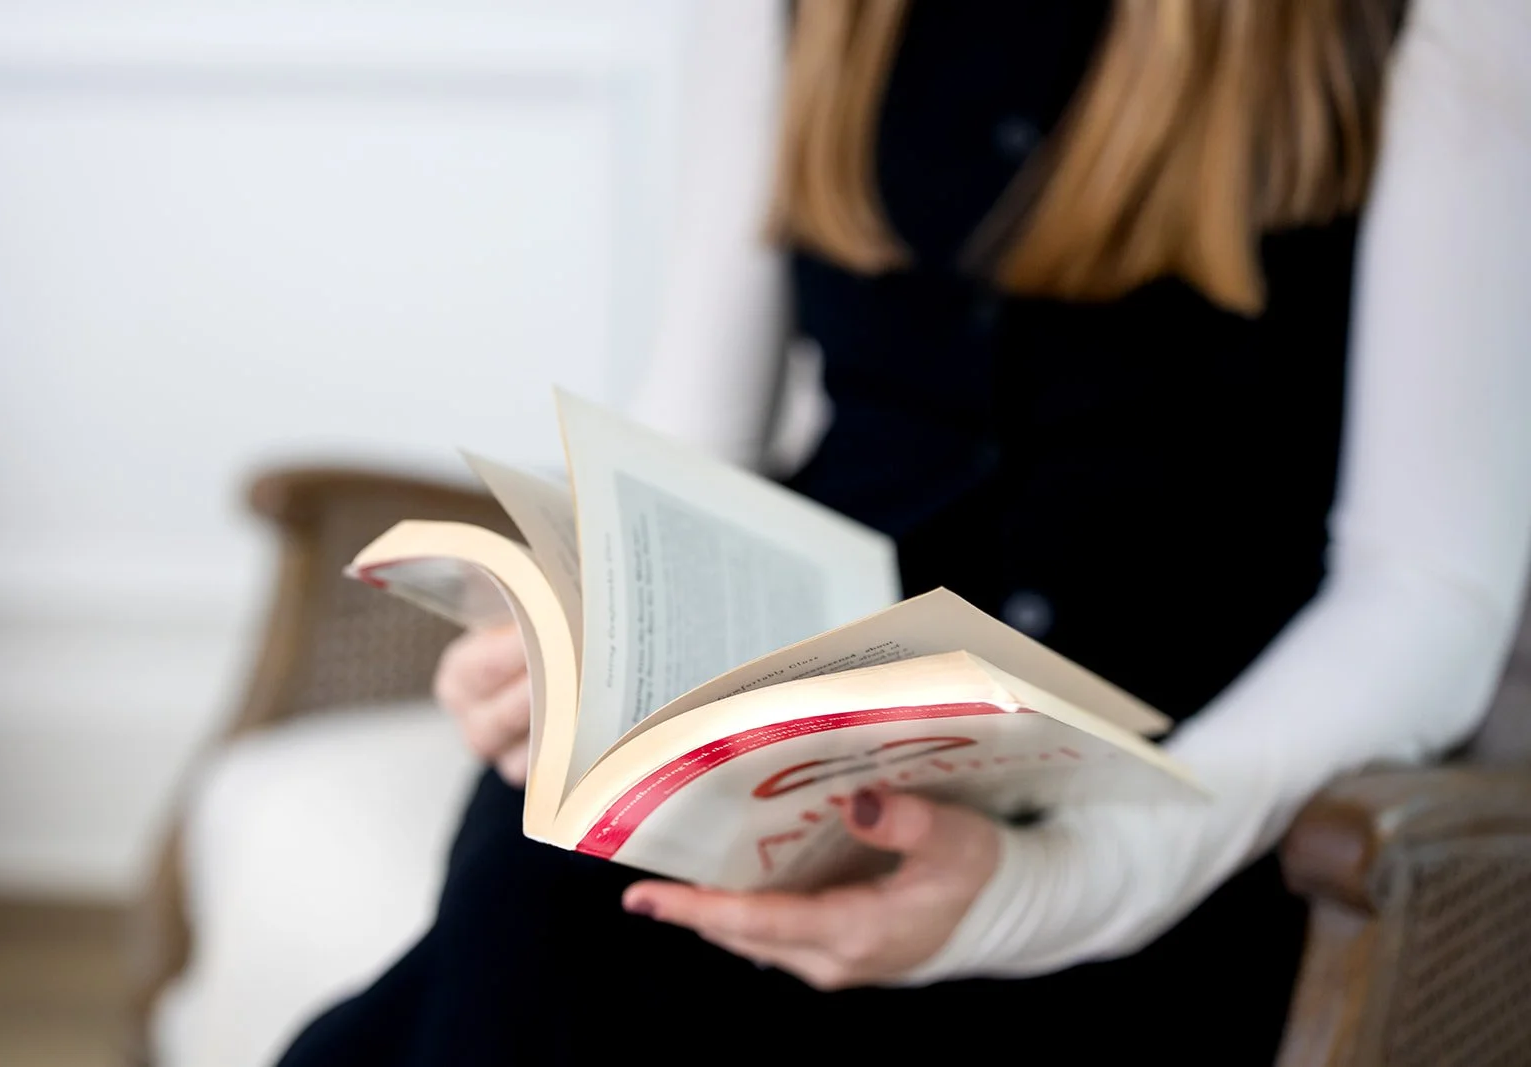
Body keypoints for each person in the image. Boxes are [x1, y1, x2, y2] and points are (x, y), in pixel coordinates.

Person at [280, 1, 1531, 1062]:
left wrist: (1076, 878)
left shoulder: (1427, 26)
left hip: (1170, 819)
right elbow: (691, 432)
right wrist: (581, 612)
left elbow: (1426, 589)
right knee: (509, 909)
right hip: (802, 754)